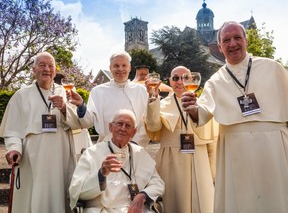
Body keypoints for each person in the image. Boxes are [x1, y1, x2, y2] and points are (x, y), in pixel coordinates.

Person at [181, 21, 288, 213]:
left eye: (237, 37)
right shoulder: (215, 81)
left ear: (246, 41)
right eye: (226, 40)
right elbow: (203, 112)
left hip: (274, 148)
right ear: (220, 48)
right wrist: (192, 108)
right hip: (234, 148)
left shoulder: (273, 67)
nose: (233, 44)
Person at [0, 52, 81, 213]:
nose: (47, 69)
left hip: (61, 156)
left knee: (59, 194)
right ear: (33, 69)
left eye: (51, 65)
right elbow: (13, 129)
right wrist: (14, 148)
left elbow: (79, 124)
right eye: (42, 65)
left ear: (55, 70)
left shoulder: (66, 92)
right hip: (32, 159)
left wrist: (65, 108)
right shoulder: (21, 95)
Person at [144, 66, 217, 213]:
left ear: (191, 80)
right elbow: (153, 127)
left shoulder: (203, 104)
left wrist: (214, 171)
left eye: (185, 77)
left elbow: (213, 140)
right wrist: (153, 98)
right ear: (170, 82)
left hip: (199, 159)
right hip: (171, 161)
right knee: (174, 203)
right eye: (175, 78)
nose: (180, 82)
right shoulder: (161, 104)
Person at [69, 109, 165, 212]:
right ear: (110, 127)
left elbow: (158, 183)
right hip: (102, 209)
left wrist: (143, 195)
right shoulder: (91, 153)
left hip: (134, 209)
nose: (123, 128)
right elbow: (76, 190)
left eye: (128, 126)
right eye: (119, 123)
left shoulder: (140, 153)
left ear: (134, 132)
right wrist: (101, 175)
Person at [69, 51, 150, 147]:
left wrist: (135, 143)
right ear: (110, 68)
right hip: (106, 146)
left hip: (135, 146)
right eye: (116, 65)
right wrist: (81, 105)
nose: (120, 69)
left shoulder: (142, 91)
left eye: (124, 65)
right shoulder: (98, 91)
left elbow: (147, 121)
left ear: (129, 68)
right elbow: (89, 121)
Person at [54, 72, 93, 160]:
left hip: (78, 134)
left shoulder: (70, 89)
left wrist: (80, 110)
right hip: (59, 137)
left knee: (82, 159)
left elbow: (76, 108)